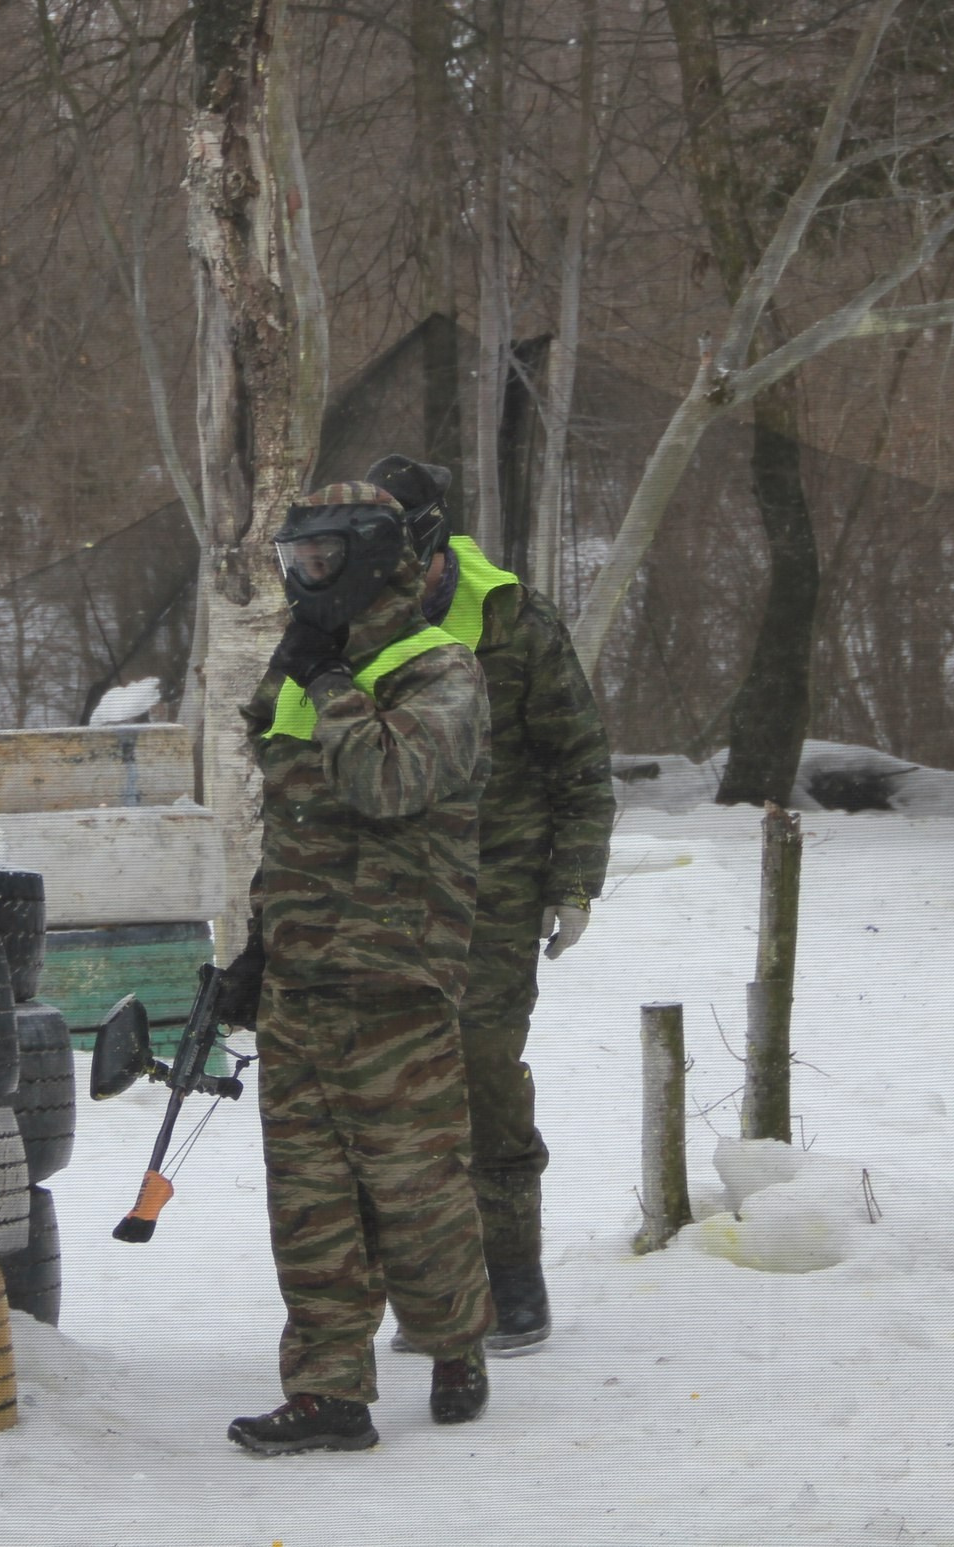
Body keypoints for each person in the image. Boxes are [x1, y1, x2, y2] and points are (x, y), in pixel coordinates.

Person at [217, 481, 498, 1456]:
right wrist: (256, 949)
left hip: (393, 980)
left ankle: (455, 1338)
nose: (305, 580)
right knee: (307, 1199)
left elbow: (388, 781)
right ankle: (330, 1389)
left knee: (414, 1194)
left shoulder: (440, 669)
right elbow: (284, 828)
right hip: (303, 978)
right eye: (295, 562)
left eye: (323, 560)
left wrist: (331, 679)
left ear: (373, 559)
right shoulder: (299, 672)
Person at [365, 454, 614, 1356]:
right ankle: (434, 1282)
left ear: (433, 544)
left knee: (482, 1074)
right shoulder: (351, 612)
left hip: (495, 888)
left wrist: (575, 879)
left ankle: (512, 1278)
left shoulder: (511, 618)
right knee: (396, 1089)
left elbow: (581, 761)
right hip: (386, 892)